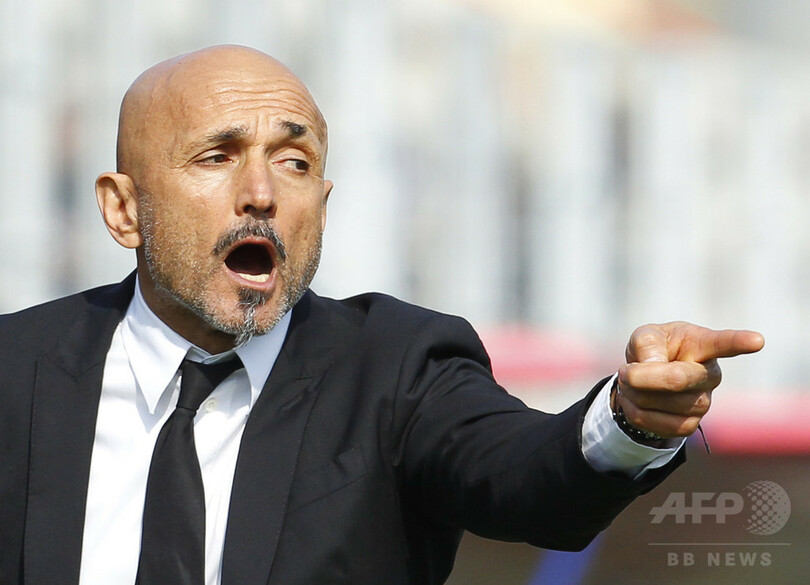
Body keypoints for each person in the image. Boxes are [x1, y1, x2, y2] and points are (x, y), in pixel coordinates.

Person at [0, 45, 764, 585]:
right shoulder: (16, 370)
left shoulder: (398, 367)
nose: (262, 193)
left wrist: (629, 417)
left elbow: (528, 475)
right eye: (217, 156)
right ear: (123, 209)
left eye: (295, 163)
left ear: (322, 204)